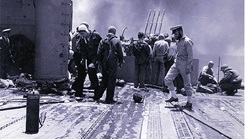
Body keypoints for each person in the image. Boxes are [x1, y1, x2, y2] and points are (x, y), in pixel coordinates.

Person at [164, 25, 195, 110]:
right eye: (173, 33)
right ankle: (174, 96)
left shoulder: (187, 41)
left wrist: (188, 67)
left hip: (184, 64)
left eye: (175, 32)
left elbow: (190, 56)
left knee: (187, 85)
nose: (174, 34)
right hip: (177, 63)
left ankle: (189, 102)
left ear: (180, 31)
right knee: (167, 79)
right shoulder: (178, 41)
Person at [95, 26, 123, 104]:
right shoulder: (117, 40)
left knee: (104, 79)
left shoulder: (102, 40)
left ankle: (98, 96)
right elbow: (120, 53)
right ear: (115, 32)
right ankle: (109, 98)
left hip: (104, 62)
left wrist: (99, 62)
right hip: (112, 62)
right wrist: (120, 61)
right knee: (111, 80)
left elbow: (99, 52)